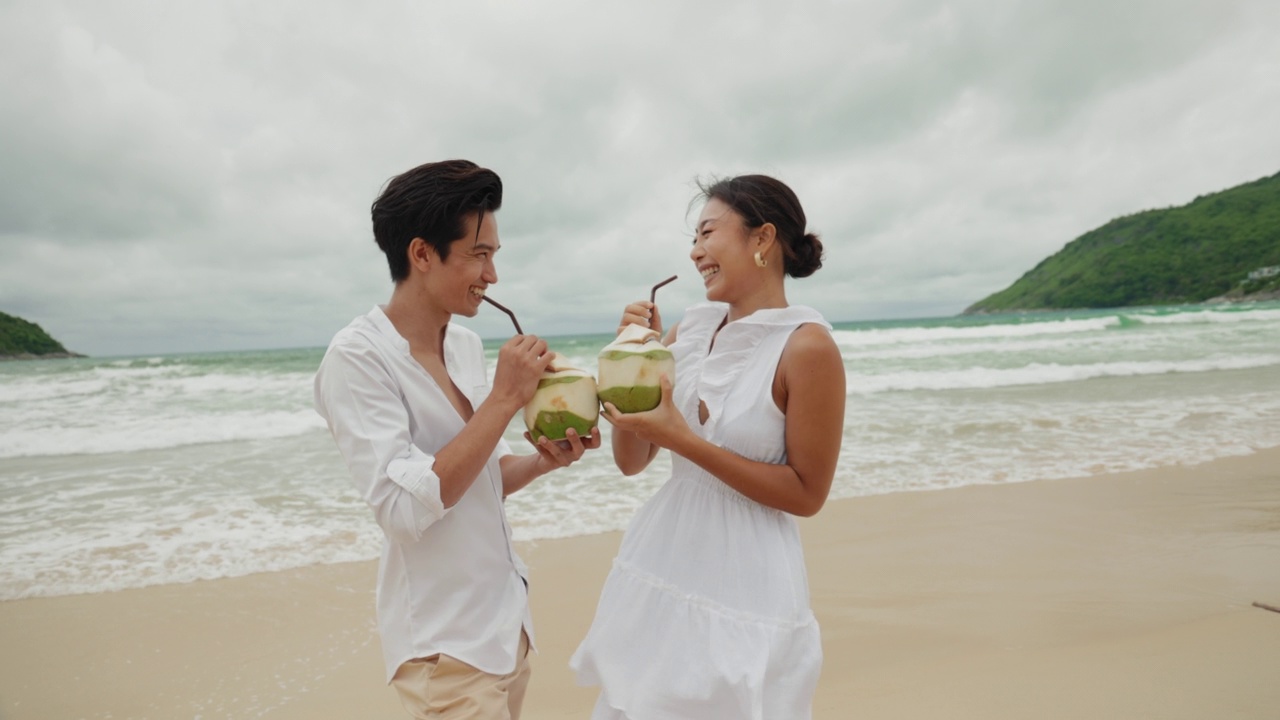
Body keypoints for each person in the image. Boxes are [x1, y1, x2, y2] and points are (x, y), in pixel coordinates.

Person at [314, 159, 600, 720]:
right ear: (422, 254)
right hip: (444, 650)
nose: (492, 275)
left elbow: (477, 478)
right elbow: (401, 510)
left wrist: (544, 462)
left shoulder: (465, 344)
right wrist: (502, 400)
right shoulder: (355, 359)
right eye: (479, 254)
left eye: (494, 255)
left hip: (505, 627)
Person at [570, 174, 846, 719]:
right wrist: (632, 354)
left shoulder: (808, 347)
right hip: (666, 556)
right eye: (692, 241)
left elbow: (807, 493)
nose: (695, 253)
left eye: (707, 234)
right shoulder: (688, 333)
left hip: (748, 575)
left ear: (762, 239)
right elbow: (631, 460)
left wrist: (683, 441)